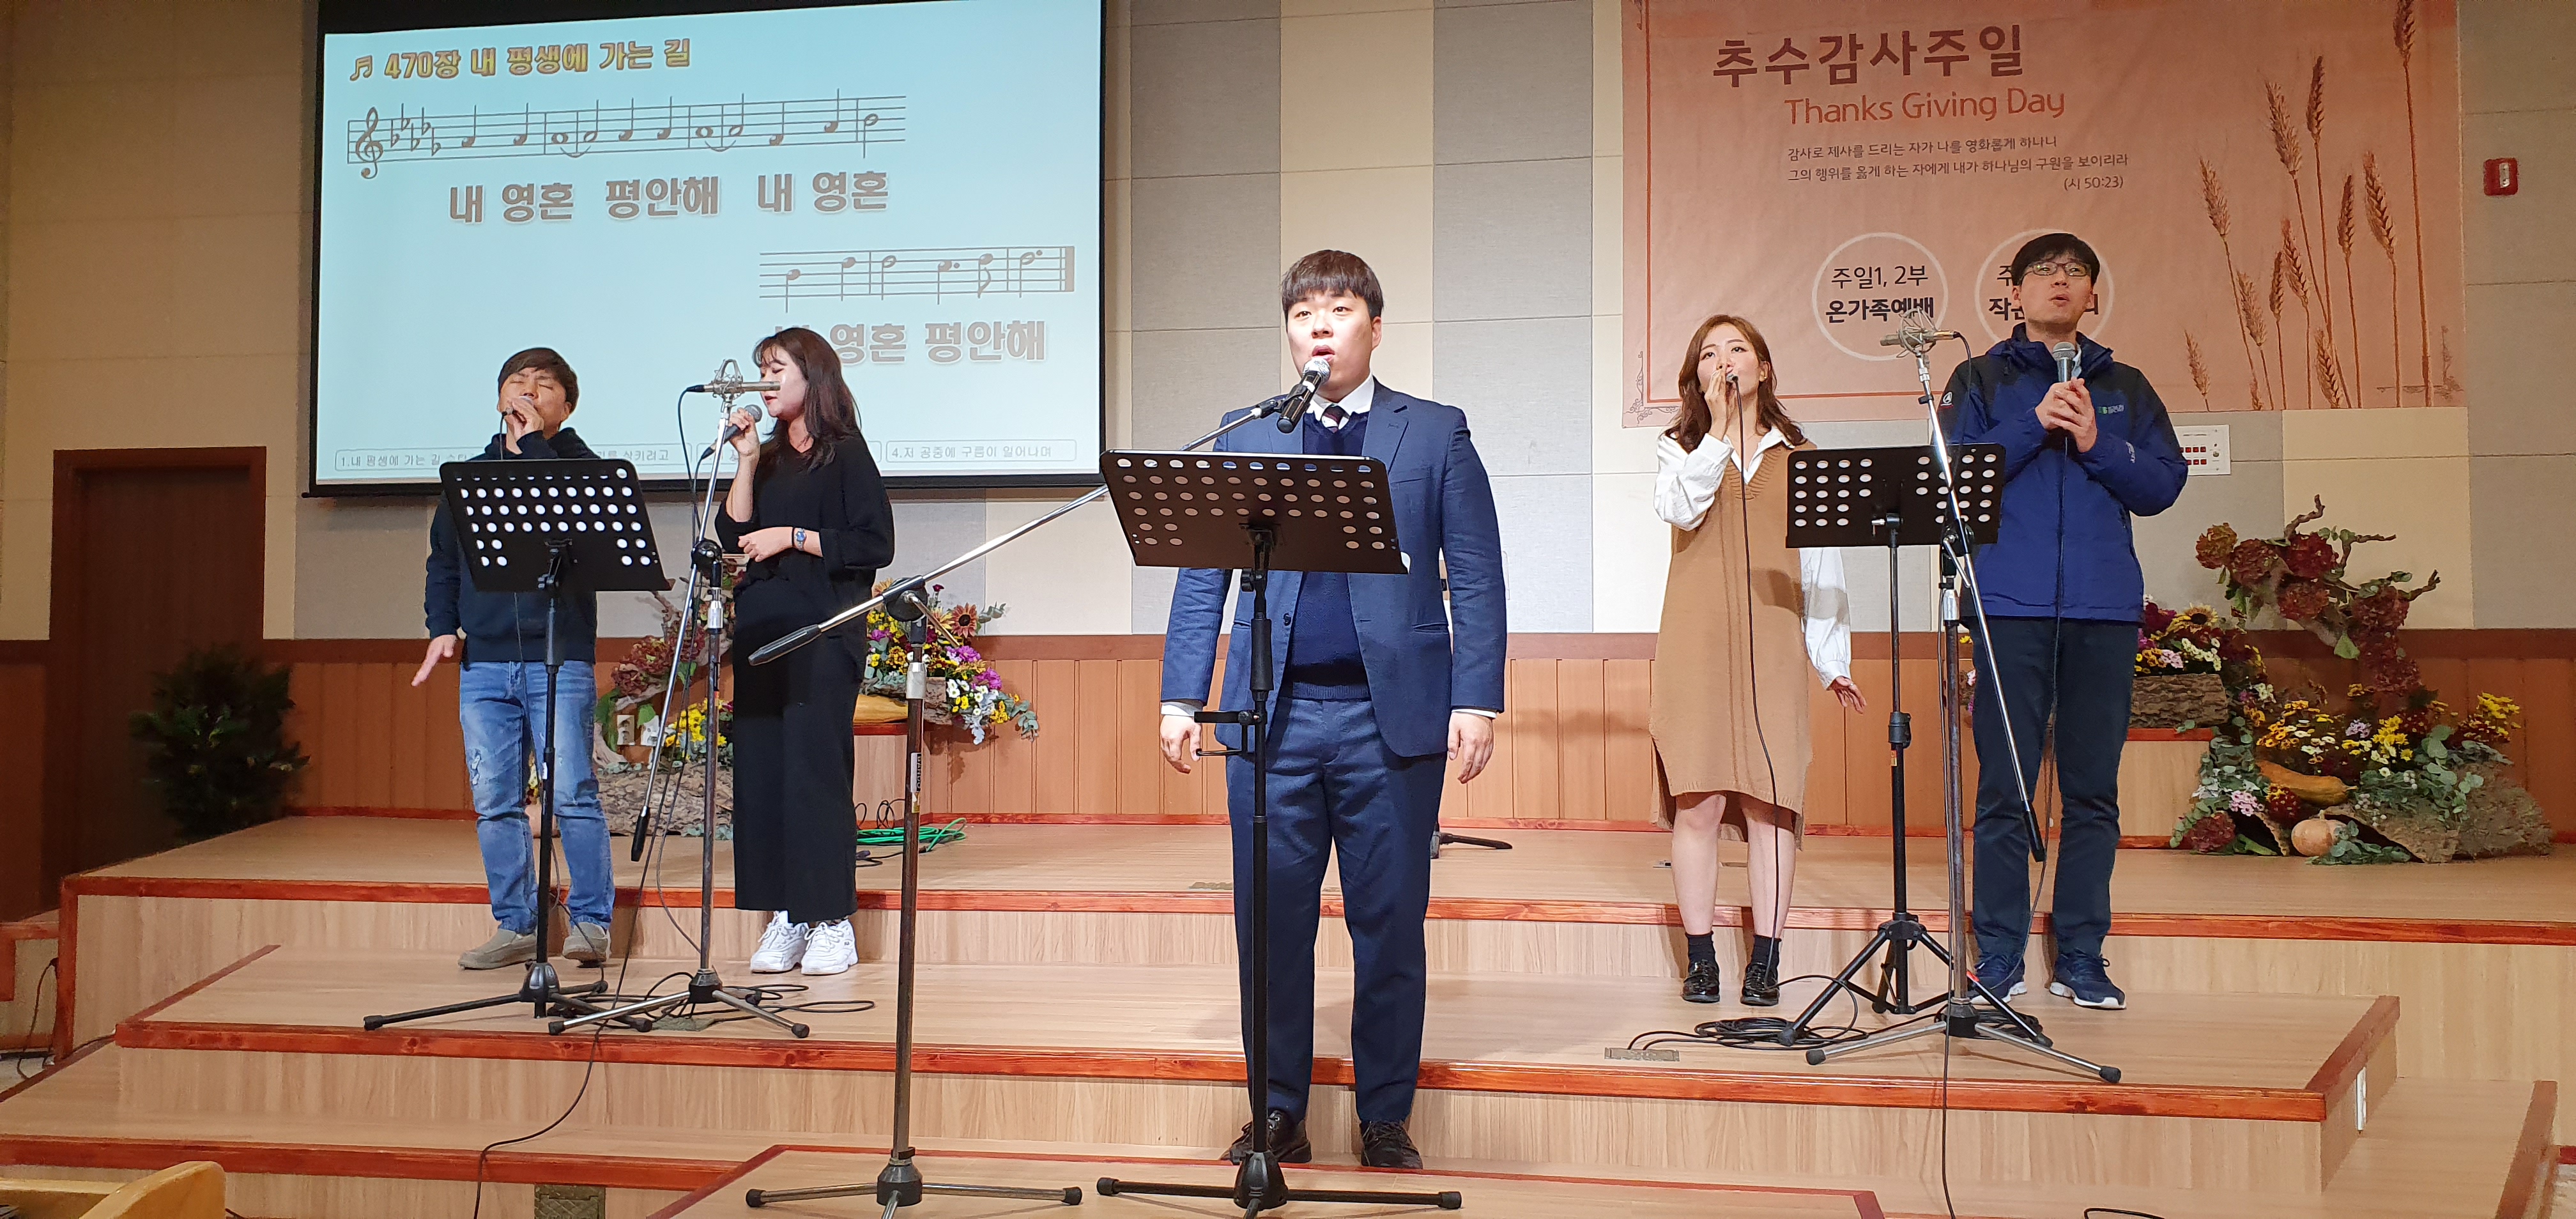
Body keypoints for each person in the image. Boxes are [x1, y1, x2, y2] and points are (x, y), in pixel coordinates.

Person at [1158, 250, 1506, 1170]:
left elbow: (1476, 574)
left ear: (1374, 328)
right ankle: (1278, 1111)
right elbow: (1201, 580)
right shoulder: (1248, 434)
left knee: (1388, 925)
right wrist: (1181, 695)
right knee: (1271, 926)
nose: (1319, 324)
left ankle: (1385, 1115)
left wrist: (1476, 698)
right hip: (1270, 718)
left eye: (1340, 308)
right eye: (1303, 312)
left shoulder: (1434, 433)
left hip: (1389, 720)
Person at [1947, 234, 2186, 1011]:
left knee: (2092, 794)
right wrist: (2033, 424)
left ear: (2093, 294)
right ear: (2014, 294)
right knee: (2005, 790)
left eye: (2075, 272)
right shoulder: (1981, 378)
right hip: (2008, 608)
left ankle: (2082, 956)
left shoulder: (2127, 386)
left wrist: (2093, 439)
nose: (2060, 281)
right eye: (2044, 272)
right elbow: (1954, 479)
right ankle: (1999, 956)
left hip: (2101, 609)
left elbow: (2161, 486)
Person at [1650, 315, 1864, 1008]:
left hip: (1773, 642)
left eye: (1737, 349)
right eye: (1709, 354)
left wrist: (1832, 660)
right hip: (1695, 644)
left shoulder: (1802, 455)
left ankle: (1766, 961)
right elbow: (1681, 510)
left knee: (1773, 805)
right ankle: (1702, 958)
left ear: (1764, 368)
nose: (1725, 362)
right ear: (1697, 376)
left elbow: (1824, 563)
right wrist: (1717, 432)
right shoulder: (1679, 449)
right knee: (1699, 801)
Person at [417, 347, 615, 971]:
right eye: (517, 381)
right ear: (499, 396)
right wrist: (442, 627)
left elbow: (578, 521)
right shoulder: (470, 476)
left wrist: (531, 446)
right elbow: (444, 561)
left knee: (573, 792)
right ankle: (517, 923)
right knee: (495, 800)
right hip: (485, 662)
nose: (527, 391)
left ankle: (591, 922)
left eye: (544, 384)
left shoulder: (580, 467)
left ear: (567, 406)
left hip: (560, 654)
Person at [716, 326, 895, 977]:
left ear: (811, 376)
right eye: (761, 369)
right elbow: (733, 533)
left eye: (776, 369)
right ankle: (786, 915)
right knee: (763, 776)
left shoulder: (844, 453)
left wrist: (793, 536)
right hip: (762, 632)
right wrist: (743, 460)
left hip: (821, 632)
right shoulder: (766, 457)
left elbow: (874, 543)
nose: (765, 381)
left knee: (814, 777)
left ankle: (830, 919)